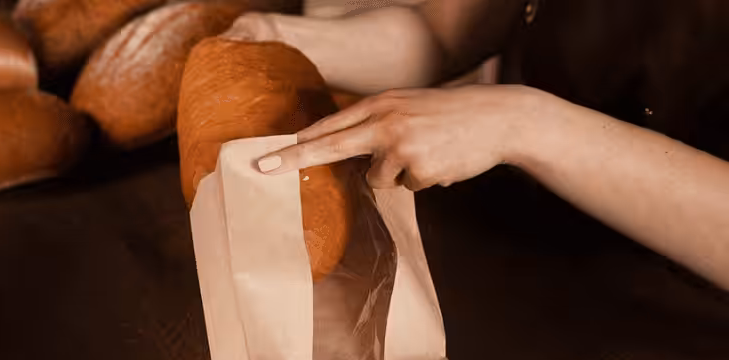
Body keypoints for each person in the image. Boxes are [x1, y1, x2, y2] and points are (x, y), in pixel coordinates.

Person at [220, 0, 729, 291]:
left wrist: (525, 124)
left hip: (671, 336)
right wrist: (276, 38)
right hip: (523, 252)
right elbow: (439, 36)